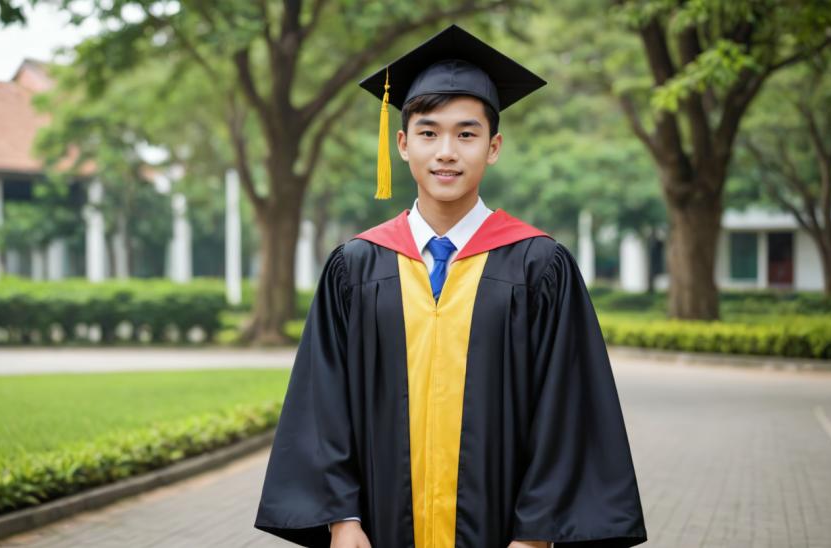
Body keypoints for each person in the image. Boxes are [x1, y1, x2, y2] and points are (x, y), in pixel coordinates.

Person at [254, 24, 647, 548]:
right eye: (428, 132)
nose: (446, 152)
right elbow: (322, 404)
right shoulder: (356, 266)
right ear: (402, 144)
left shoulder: (539, 266)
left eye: (466, 134)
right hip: (379, 531)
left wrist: (535, 535)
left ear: (494, 147)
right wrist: (342, 520)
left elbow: (567, 409)